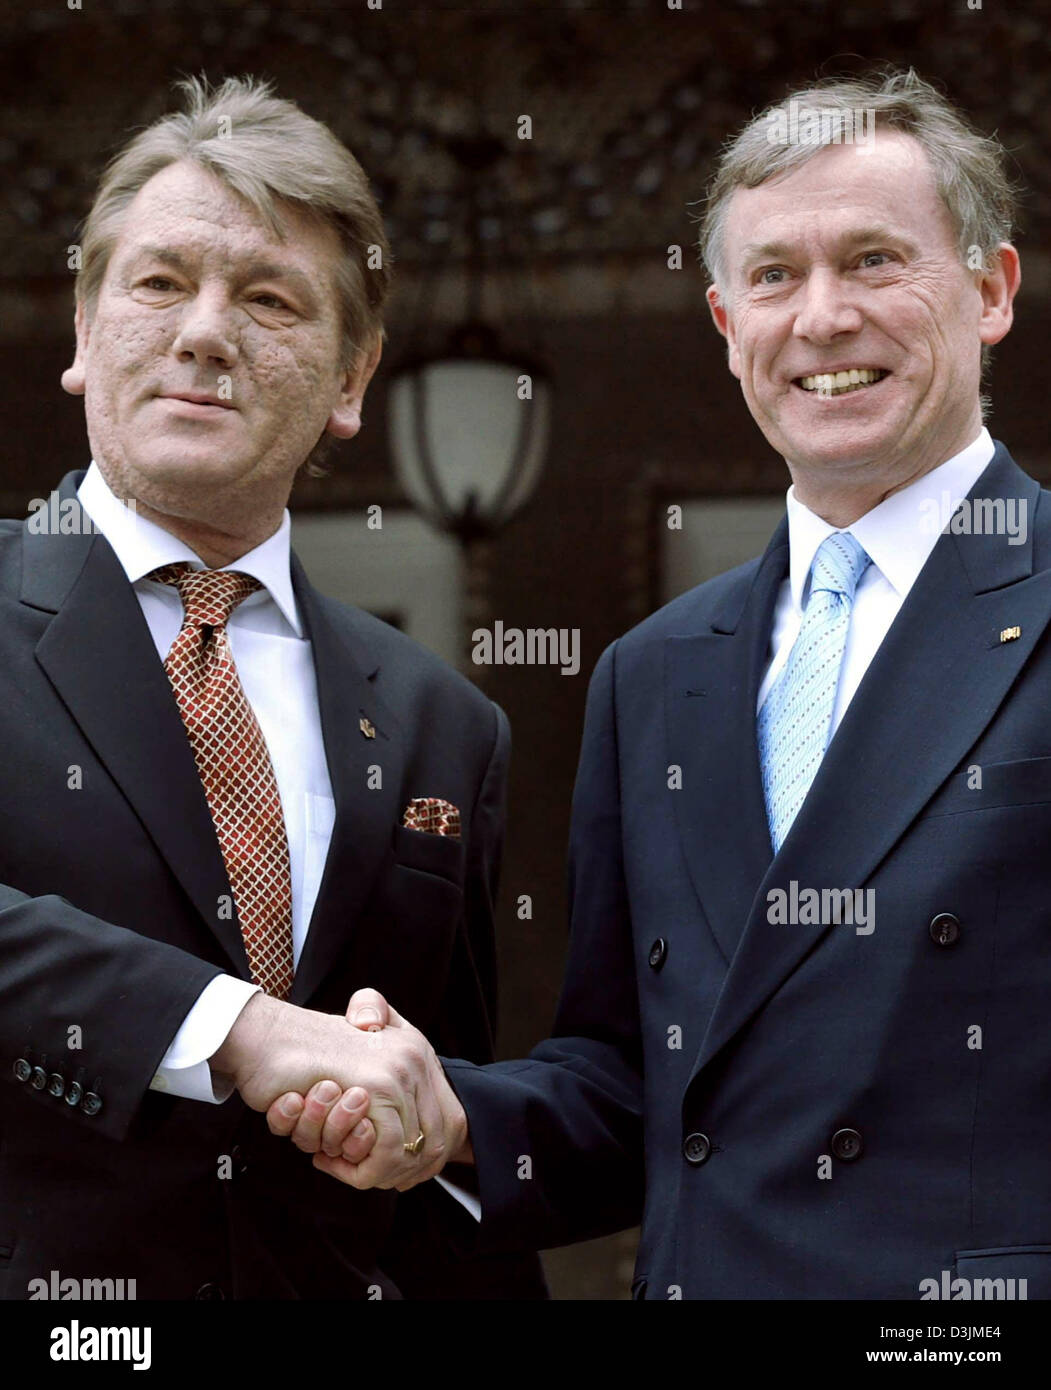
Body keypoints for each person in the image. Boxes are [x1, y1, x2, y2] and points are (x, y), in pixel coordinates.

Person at [279, 68, 1051, 1300]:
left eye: (872, 260)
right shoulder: (654, 674)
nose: (822, 317)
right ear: (725, 323)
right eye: (775, 277)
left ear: (991, 288)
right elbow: (634, 1079)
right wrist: (451, 1117)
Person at [0, 73, 545, 1301]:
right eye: (158, 283)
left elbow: (435, 1101)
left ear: (351, 377)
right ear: (84, 337)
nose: (204, 331)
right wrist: (231, 1029)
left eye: (267, 298)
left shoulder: (443, 725)